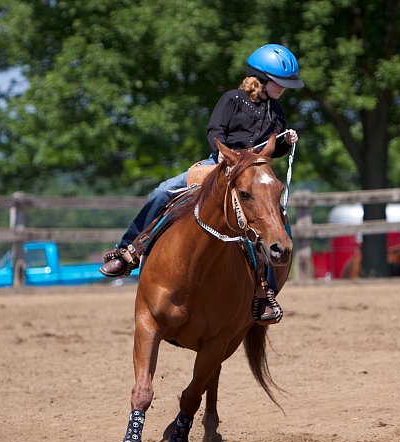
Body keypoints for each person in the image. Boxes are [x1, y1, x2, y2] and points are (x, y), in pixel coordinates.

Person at [100, 43, 303, 324]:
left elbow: (271, 149)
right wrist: (221, 151)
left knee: (276, 222)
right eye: (280, 83)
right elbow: (215, 129)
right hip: (219, 166)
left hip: (253, 175)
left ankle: (264, 291)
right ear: (261, 78)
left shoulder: (276, 112)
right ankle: (129, 251)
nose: (284, 89)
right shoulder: (233, 99)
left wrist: (284, 143)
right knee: (163, 191)